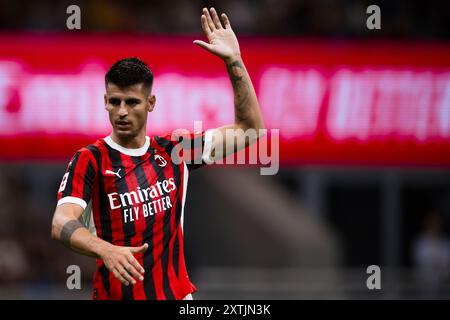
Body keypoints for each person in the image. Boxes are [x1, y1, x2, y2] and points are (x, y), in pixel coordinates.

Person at [51, 7, 265, 300]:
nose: (122, 111)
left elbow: (250, 130)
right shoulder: (91, 159)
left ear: (150, 103)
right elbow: (61, 222)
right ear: (105, 101)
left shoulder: (176, 150)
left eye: (132, 102)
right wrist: (105, 249)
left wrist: (234, 61)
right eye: (115, 101)